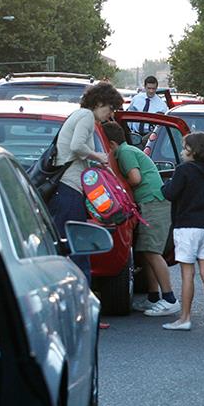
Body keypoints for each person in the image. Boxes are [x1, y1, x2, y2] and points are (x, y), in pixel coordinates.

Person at [102, 121, 178, 316]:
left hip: (153, 202)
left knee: (152, 251)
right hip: (151, 203)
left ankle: (170, 299)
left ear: (110, 144)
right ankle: (153, 297)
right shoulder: (128, 150)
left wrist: (115, 182)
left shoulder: (125, 153)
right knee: (145, 251)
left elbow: (135, 178)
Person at [52, 82, 124, 283]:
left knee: (66, 247)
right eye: (110, 109)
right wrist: (98, 157)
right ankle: (81, 296)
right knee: (77, 247)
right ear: (100, 102)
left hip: (65, 189)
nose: (110, 115)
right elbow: (76, 146)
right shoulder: (85, 116)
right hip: (70, 188)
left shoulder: (79, 115)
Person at [160, 131, 204, 332]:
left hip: (186, 226)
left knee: (188, 273)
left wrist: (165, 185)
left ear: (192, 150)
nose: (182, 150)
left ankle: (185, 318)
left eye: (184, 146)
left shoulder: (184, 170)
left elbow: (170, 193)